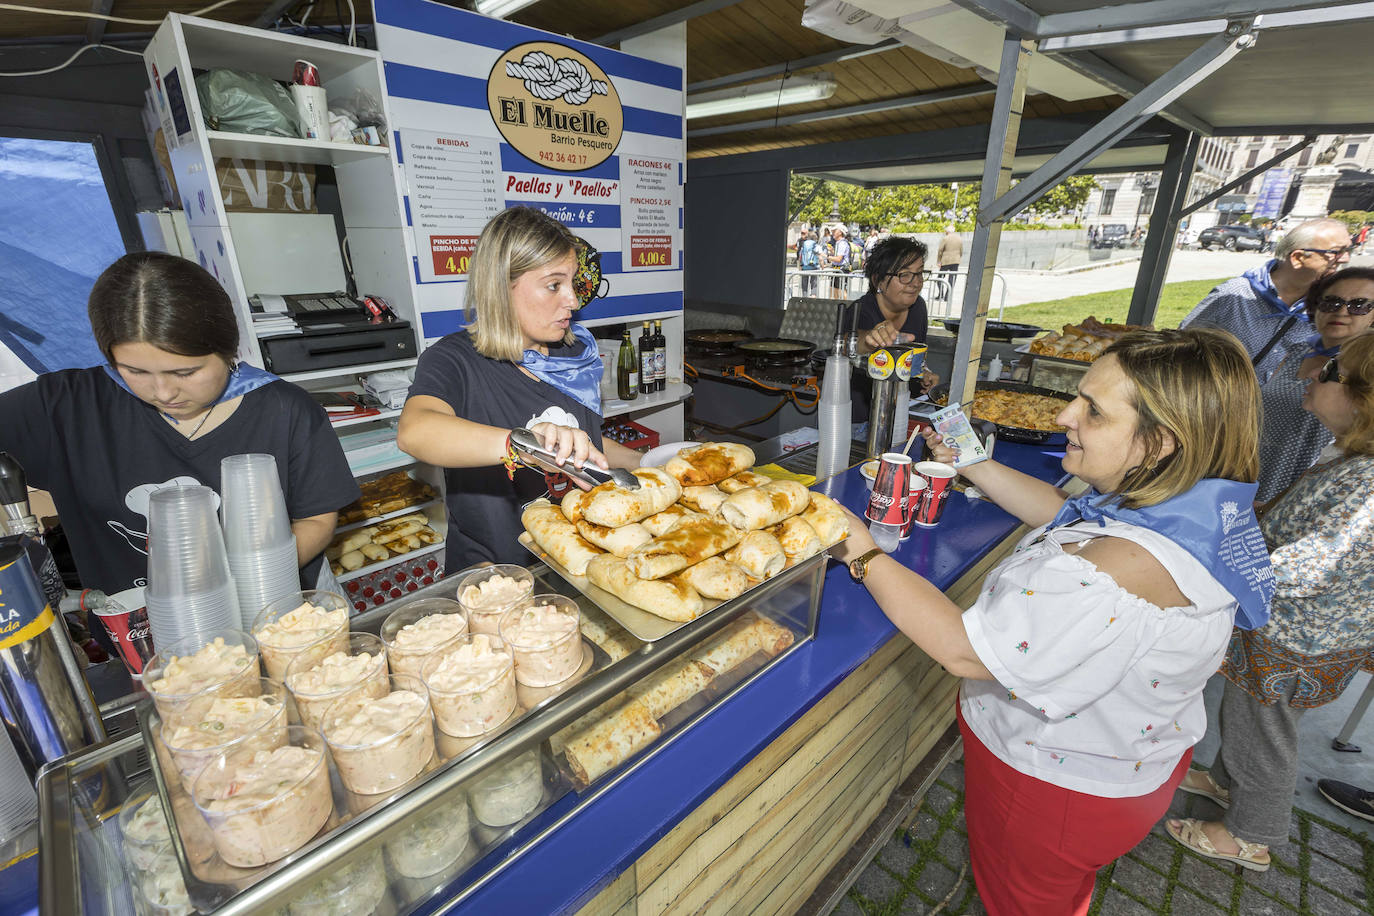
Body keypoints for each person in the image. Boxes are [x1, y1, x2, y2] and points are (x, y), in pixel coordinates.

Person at [832, 328, 1274, 914]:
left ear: (1161, 441)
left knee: (1026, 900)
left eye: (1092, 410)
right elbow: (1070, 515)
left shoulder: (1125, 567)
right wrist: (974, 464)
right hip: (1124, 763)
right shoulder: (1187, 507)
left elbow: (966, 651)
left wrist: (861, 552)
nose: (1066, 415)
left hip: (1054, 790)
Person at [0, 251, 359, 595]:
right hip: (138, 636)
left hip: (272, 611)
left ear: (228, 349)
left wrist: (241, 586)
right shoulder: (65, 406)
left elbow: (316, 520)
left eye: (185, 372)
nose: (164, 391)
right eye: (134, 371)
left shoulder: (284, 409)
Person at [1167, 330, 1374, 873]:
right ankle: (1229, 782)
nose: (1311, 374)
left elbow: (1314, 565)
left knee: (1266, 730)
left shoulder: (1367, 482)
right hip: (1285, 627)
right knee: (1246, 714)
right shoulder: (1350, 459)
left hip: (1297, 636)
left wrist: (1224, 558)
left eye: (1329, 371)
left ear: (1363, 397)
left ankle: (1251, 835)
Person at [397, 207, 642, 569]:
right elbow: (415, 430)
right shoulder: (454, 359)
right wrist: (525, 444)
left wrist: (646, 463)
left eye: (573, 283)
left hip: (580, 561)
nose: (572, 300)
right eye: (554, 285)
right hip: (499, 570)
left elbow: (583, 442)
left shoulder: (573, 356)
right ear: (500, 286)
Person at [1181, 218, 1352, 382]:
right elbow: (1180, 346)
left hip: (1284, 411)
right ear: (1298, 258)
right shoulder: (1234, 295)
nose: (1345, 259)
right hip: (1221, 407)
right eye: (1336, 252)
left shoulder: (1335, 307)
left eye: (1348, 250)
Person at [1255, 267, 1374, 502]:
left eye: (1359, 305)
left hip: (1319, 492)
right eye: (1331, 302)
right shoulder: (1296, 350)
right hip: (1256, 479)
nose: (1341, 311)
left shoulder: (1367, 373)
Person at [850, 236, 939, 420]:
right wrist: (869, 338)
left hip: (903, 414)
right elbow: (849, 344)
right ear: (878, 280)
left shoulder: (918, 308)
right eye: (904, 275)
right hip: (861, 419)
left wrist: (924, 374)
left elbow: (916, 360)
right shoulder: (860, 311)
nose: (916, 283)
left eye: (920, 273)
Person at [936, 225, 962, 302]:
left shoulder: (945, 238)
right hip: (956, 261)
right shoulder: (959, 239)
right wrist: (958, 258)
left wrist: (939, 261)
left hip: (946, 261)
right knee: (952, 279)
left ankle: (941, 294)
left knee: (939, 278)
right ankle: (947, 296)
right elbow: (961, 251)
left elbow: (940, 250)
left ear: (947, 232)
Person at [827, 226, 852, 299]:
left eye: (834, 231)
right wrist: (832, 251)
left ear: (840, 232)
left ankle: (846, 307)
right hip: (837, 269)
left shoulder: (842, 243)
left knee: (841, 291)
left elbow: (838, 259)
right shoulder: (838, 243)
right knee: (834, 290)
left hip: (841, 270)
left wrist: (827, 256)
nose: (832, 233)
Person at [797, 228, 821, 296]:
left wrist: (800, 267)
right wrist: (822, 267)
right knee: (814, 285)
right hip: (814, 267)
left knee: (804, 285)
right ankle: (813, 297)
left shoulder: (803, 245)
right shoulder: (816, 245)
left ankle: (804, 298)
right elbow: (820, 257)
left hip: (804, 267)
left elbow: (800, 256)